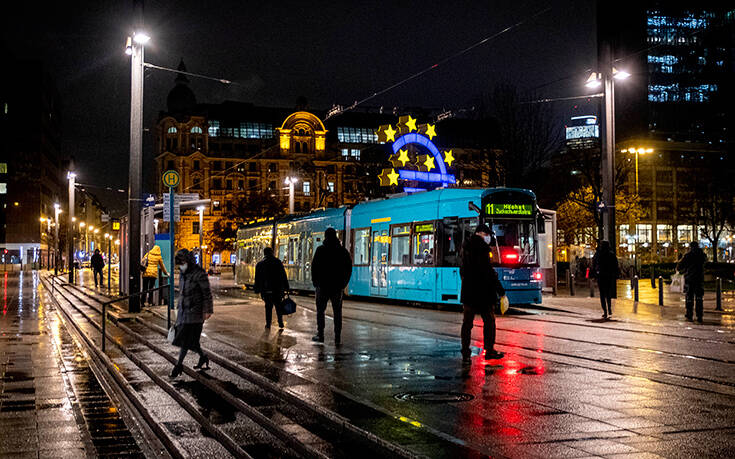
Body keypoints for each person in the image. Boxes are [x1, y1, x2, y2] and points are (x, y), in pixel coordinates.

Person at [459, 224, 505, 363]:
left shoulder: (465, 247)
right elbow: (488, 272)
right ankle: (489, 350)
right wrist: (500, 290)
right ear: (481, 233)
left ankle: (465, 351)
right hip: (483, 291)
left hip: (468, 290)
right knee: (489, 321)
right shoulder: (482, 249)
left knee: (467, 323)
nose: (488, 238)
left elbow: (462, 270)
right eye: (487, 235)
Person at [170, 249, 213, 377]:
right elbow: (183, 293)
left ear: (188, 261)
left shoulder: (199, 274)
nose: (181, 265)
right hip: (184, 311)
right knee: (192, 342)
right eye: (179, 263)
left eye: (182, 262)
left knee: (185, 341)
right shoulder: (184, 274)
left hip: (196, 312)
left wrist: (208, 310)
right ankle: (203, 357)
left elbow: (207, 293)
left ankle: (178, 366)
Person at [311, 227, 352, 345]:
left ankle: (321, 334)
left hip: (322, 286)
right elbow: (348, 268)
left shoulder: (320, 250)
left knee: (320, 311)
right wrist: (343, 284)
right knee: (337, 312)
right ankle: (337, 337)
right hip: (337, 287)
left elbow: (315, 267)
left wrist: (316, 282)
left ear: (325, 236)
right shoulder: (343, 252)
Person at [254, 247, 289, 329]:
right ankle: (280, 322)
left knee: (268, 307)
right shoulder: (278, 262)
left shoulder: (260, 264)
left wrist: (257, 289)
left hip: (266, 290)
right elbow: (283, 275)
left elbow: (257, 278)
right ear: (272, 253)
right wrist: (286, 287)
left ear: (264, 253)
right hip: (277, 289)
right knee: (278, 306)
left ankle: (268, 324)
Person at [676, 241, 707, 323]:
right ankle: (699, 315)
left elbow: (679, 266)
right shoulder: (702, 255)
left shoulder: (688, 255)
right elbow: (706, 264)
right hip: (699, 279)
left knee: (689, 297)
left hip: (690, 279)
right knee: (699, 298)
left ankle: (689, 314)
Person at [591, 240, 619, 319]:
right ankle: (609, 308)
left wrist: (594, 274)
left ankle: (605, 311)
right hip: (609, 276)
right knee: (608, 293)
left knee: (602, 294)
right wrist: (616, 274)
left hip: (601, 276)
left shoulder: (598, 254)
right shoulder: (611, 254)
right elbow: (615, 265)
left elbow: (594, 264)